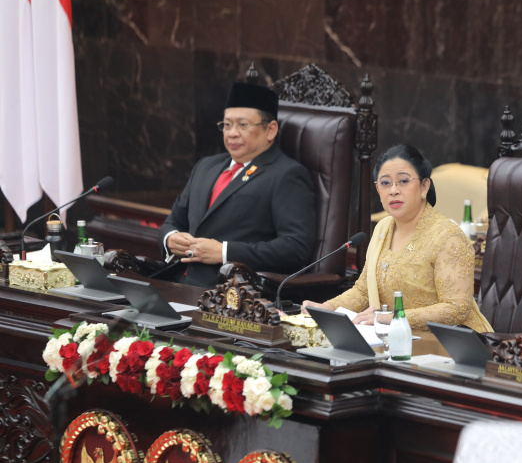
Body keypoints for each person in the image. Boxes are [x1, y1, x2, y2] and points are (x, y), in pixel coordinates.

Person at [302, 144, 493, 334]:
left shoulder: (448, 237)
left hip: (454, 346)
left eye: (403, 181)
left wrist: (391, 317)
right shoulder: (382, 229)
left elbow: (456, 309)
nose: (393, 190)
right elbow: (363, 292)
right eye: (385, 183)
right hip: (398, 340)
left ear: (424, 186)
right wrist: (328, 308)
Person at [160, 82, 316, 288]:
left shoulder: (287, 175)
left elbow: (295, 248)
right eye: (226, 125)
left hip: (230, 295)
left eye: (242, 125)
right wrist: (170, 240)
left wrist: (224, 252)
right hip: (175, 281)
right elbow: (173, 222)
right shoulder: (206, 166)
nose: (232, 133)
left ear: (270, 130)